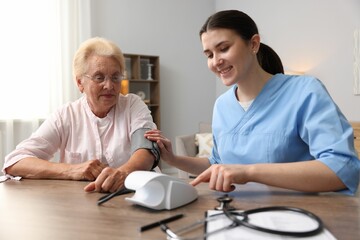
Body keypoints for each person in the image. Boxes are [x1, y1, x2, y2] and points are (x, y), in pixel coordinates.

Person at [145, 10, 360, 195]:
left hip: (296, 215)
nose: (215, 61)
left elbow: (343, 168)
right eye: (209, 54)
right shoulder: (222, 105)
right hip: (234, 212)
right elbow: (217, 164)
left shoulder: (305, 91)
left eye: (224, 48)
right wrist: (173, 159)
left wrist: (247, 172)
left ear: (254, 44)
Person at [2, 37, 159, 193]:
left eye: (115, 77)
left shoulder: (133, 105)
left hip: (137, 196)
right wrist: (72, 170)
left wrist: (122, 173)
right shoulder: (66, 115)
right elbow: (15, 162)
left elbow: (146, 151)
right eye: (99, 77)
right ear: (79, 83)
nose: (109, 85)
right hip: (82, 204)